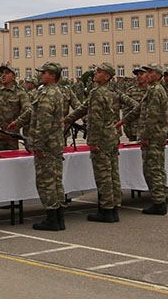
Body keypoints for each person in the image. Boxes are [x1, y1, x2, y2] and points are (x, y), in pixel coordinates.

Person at [64, 63, 137, 223]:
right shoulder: (111, 92)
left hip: (101, 139)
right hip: (111, 137)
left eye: (99, 72)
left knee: (103, 175)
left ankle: (106, 210)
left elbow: (95, 119)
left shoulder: (97, 92)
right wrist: (67, 120)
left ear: (107, 76)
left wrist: (93, 141)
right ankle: (114, 207)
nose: (95, 74)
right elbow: (83, 108)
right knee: (113, 174)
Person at [11, 63, 67, 231]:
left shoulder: (49, 94)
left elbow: (44, 122)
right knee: (55, 182)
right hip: (54, 144)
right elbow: (33, 113)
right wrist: (18, 122)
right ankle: (58, 218)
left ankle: (52, 219)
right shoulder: (49, 91)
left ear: (52, 75)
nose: (41, 75)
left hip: (47, 145)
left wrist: (39, 145)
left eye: (44, 73)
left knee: (46, 182)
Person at [119, 64, 168, 215]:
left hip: (153, 136)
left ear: (157, 75)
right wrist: (123, 121)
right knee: (156, 168)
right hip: (156, 135)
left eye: (149, 72)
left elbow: (152, 116)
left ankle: (159, 202)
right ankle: (160, 198)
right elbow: (139, 109)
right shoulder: (153, 89)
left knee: (152, 169)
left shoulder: (156, 91)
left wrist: (146, 136)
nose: (146, 74)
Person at [0, 66, 31, 150]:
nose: (3, 75)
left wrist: (18, 123)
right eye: (2, 73)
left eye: (7, 73)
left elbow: (29, 110)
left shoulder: (20, 93)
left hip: (11, 137)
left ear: (13, 77)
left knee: (11, 160)